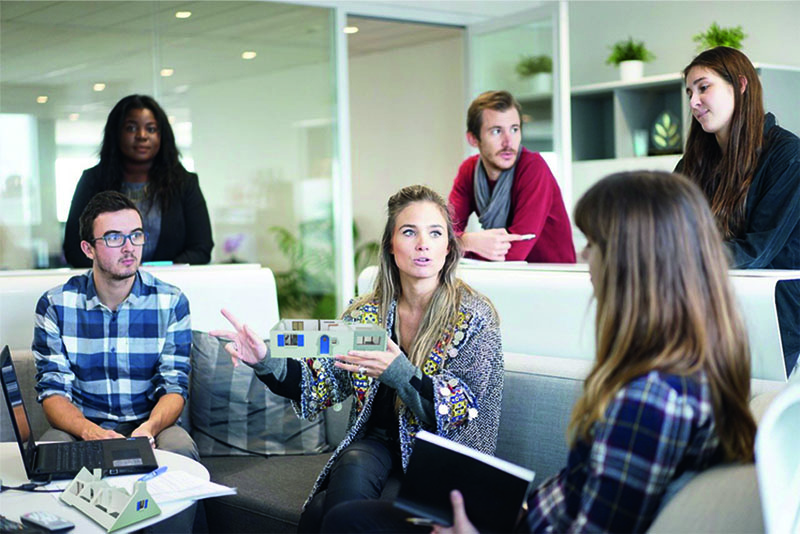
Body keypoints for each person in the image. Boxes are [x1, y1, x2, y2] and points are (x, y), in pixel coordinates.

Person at [323, 171, 757, 533]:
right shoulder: (683, 372)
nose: (585, 258)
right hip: (523, 516)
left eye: (594, 244)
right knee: (344, 509)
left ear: (634, 262)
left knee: (349, 522)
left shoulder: (650, 399)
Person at [211, 185, 504, 532]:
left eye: (435, 233)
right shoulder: (365, 313)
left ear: (448, 248)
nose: (423, 243)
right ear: (391, 247)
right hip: (376, 446)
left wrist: (398, 372)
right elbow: (318, 380)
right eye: (409, 232)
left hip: (443, 459)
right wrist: (264, 359)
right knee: (351, 465)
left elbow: (460, 409)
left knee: (323, 511)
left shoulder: (474, 316)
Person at [34, 191, 198, 461]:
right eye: (113, 237)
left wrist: (149, 428)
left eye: (136, 235)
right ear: (88, 249)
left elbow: (174, 387)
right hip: (82, 426)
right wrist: (90, 431)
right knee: (48, 451)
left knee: (180, 449)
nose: (129, 247)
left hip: (150, 424)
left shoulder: (171, 302)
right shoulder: (55, 304)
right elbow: (53, 392)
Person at [677, 46, 800, 376]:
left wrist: (679, 256)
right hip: (710, 309)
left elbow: (757, 250)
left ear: (741, 85)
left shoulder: (788, 155)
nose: (693, 102)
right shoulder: (692, 164)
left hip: (775, 318)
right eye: (689, 92)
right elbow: (668, 230)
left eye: (704, 87)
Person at [63, 94, 213, 267]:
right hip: (108, 289)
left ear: (162, 136)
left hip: (170, 286)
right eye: (131, 128)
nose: (142, 136)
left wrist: (158, 275)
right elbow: (74, 249)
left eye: (151, 129)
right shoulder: (93, 181)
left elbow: (201, 248)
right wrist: (118, 274)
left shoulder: (185, 183)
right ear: (116, 133)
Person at [448, 90, 575, 263]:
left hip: (552, 279)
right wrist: (468, 241)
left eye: (514, 129)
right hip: (506, 278)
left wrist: (461, 244)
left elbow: (514, 253)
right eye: (496, 131)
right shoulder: (469, 171)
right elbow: (442, 234)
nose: (508, 142)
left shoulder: (533, 167)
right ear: (473, 139)